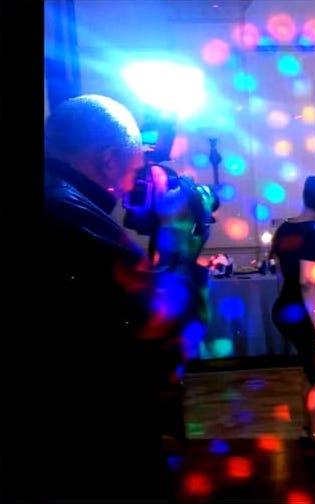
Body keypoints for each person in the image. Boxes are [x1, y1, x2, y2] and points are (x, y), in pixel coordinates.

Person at [14, 94, 194, 500]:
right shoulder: (74, 217)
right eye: (134, 171)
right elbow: (151, 324)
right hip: (95, 436)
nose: (133, 186)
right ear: (109, 161)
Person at [271, 176, 315, 451]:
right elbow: (308, 283)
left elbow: (283, 273)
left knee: (311, 372)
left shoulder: (286, 228)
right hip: (306, 313)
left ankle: (307, 429)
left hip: (286, 307)